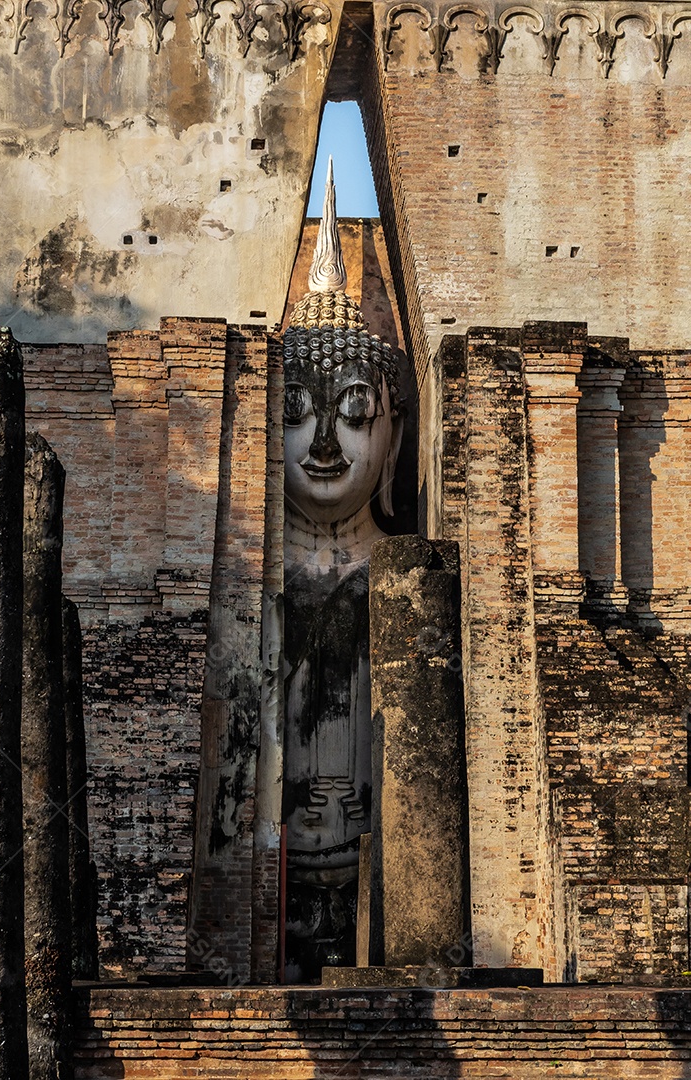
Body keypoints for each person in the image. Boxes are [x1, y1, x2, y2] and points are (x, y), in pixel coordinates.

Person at [282, 159, 403, 981]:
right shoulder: (254, 578)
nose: (325, 445)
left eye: (354, 413)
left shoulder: (401, 573)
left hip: (370, 825)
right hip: (283, 836)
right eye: (295, 414)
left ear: (393, 434)